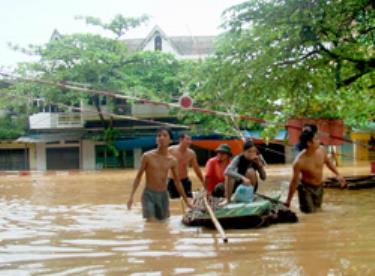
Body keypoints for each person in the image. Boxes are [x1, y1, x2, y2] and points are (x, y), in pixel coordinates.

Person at [127, 127, 192, 222]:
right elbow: (138, 177)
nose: (161, 138)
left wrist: (186, 201)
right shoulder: (147, 156)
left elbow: (177, 182)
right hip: (149, 195)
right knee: (152, 223)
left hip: (163, 195)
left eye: (165, 135)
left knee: (164, 224)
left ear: (170, 140)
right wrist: (131, 197)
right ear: (156, 140)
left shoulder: (172, 160)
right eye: (159, 136)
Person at [285, 124, 346, 213]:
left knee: (318, 211)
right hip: (306, 189)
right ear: (309, 143)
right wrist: (288, 200)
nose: (319, 141)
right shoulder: (299, 162)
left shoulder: (321, 150)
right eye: (316, 139)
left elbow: (328, 163)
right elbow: (294, 182)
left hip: (319, 187)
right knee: (310, 213)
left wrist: (338, 175)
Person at [167, 133, 205, 198]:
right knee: (174, 201)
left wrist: (203, 182)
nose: (189, 142)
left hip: (184, 180)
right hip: (172, 180)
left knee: (189, 199)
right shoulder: (170, 150)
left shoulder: (191, 153)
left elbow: (196, 168)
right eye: (187, 139)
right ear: (181, 140)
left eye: (190, 140)